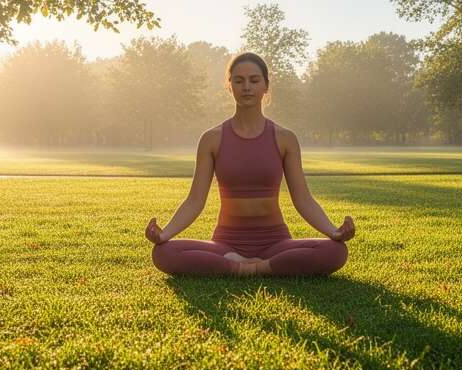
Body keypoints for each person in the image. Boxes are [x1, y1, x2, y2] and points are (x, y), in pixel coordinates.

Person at [147, 52, 354, 277]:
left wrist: (333, 232)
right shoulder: (211, 139)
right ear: (229, 86)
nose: (247, 87)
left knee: (335, 251)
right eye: (239, 80)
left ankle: (253, 268)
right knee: (163, 253)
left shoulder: (285, 138)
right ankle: (254, 266)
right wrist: (165, 234)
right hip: (226, 245)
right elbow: (195, 201)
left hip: (275, 243)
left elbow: (303, 199)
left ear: (266, 86)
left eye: (254, 80)